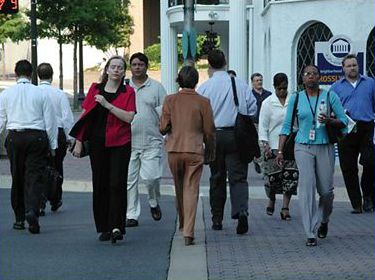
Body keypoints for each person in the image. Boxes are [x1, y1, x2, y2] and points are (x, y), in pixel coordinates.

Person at [276, 65, 347, 247]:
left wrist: (330, 120)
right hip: (303, 146)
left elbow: (344, 121)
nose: (311, 77)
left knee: (326, 192)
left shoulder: (330, 96)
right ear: (302, 78)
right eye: (307, 74)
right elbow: (286, 126)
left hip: (325, 146)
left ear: (320, 77)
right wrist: (280, 150)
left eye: (315, 74)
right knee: (306, 186)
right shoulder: (296, 98)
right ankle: (310, 232)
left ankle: (323, 220)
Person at [69, 56, 136, 243]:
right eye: (113, 67)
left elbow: (129, 117)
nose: (116, 70)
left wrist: (107, 105)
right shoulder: (95, 89)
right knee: (100, 183)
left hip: (120, 143)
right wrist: (80, 141)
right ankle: (104, 227)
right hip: (98, 143)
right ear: (107, 70)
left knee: (117, 183)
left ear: (124, 72)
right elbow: (85, 115)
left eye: (120, 67)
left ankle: (116, 226)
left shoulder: (128, 92)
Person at [197, 50, 257, 234]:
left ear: (209, 65)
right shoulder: (239, 83)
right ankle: (241, 211)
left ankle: (216, 218)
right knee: (238, 178)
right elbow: (252, 109)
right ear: (225, 62)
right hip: (236, 135)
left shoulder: (205, 87)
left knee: (217, 177)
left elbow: (200, 115)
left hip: (214, 136)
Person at [0, 59, 58, 234]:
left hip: (15, 137)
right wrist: (53, 144)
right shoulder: (41, 94)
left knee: (17, 176)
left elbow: (1, 119)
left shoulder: (6, 94)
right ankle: (32, 210)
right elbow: (50, 121)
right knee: (34, 176)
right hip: (36, 137)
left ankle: (19, 218)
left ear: (16, 74)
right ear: (31, 74)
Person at [160, 66, 215, 246]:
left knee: (179, 187)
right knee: (191, 188)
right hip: (194, 149)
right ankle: (189, 231)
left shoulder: (170, 100)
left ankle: (183, 223)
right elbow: (209, 131)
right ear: (196, 80)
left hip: (174, 149)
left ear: (179, 80)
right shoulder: (204, 102)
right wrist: (210, 151)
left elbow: (163, 127)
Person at [125, 52, 167, 227]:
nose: (137, 67)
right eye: (134, 65)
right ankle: (131, 214)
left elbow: (165, 114)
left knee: (151, 178)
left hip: (152, 141)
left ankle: (153, 202)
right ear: (130, 67)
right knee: (129, 180)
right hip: (128, 141)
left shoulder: (156, 88)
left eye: (140, 64)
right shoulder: (124, 87)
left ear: (146, 66)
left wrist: (165, 133)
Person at [330, 54, 375, 213]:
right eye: (349, 65)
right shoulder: (336, 87)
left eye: (354, 65)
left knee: (370, 162)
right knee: (348, 168)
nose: (352, 68)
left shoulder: (370, 83)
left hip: (366, 127)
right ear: (343, 68)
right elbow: (331, 110)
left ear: (358, 66)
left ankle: (368, 195)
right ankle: (356, 203)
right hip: (346, 129)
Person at [258, 73, 298, 220]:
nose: (282, 91)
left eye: (285, 88)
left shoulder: (293, 101)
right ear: (274, 87)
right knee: (272, 178)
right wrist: (265, 144)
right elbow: (263, 126)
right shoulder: (268, 103)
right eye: (280, 89)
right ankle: (272, 198)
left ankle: (285, 207)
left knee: (290, 176)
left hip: (290, 144)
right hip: (273, 144)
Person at [37, 63, 74, 215]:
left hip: (39, 132)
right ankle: (55, 198)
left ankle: (40, 200)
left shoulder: (35, 92)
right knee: (57, 166)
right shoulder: (59, 94)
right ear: (52, 76)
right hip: (58, 132)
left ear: (38, 76)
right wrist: (70, 137)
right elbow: (67, 118)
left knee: (39, 167)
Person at [251, 73, 272, 174]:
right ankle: (259, 163)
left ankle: (263, 166)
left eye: (260, 80)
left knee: (265, 145)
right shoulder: (250, 95)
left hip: (266, 124)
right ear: (252, 83)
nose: (259, 82)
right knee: (259, 146)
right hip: (254, 124)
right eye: (257, 80)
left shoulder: (268, 95)